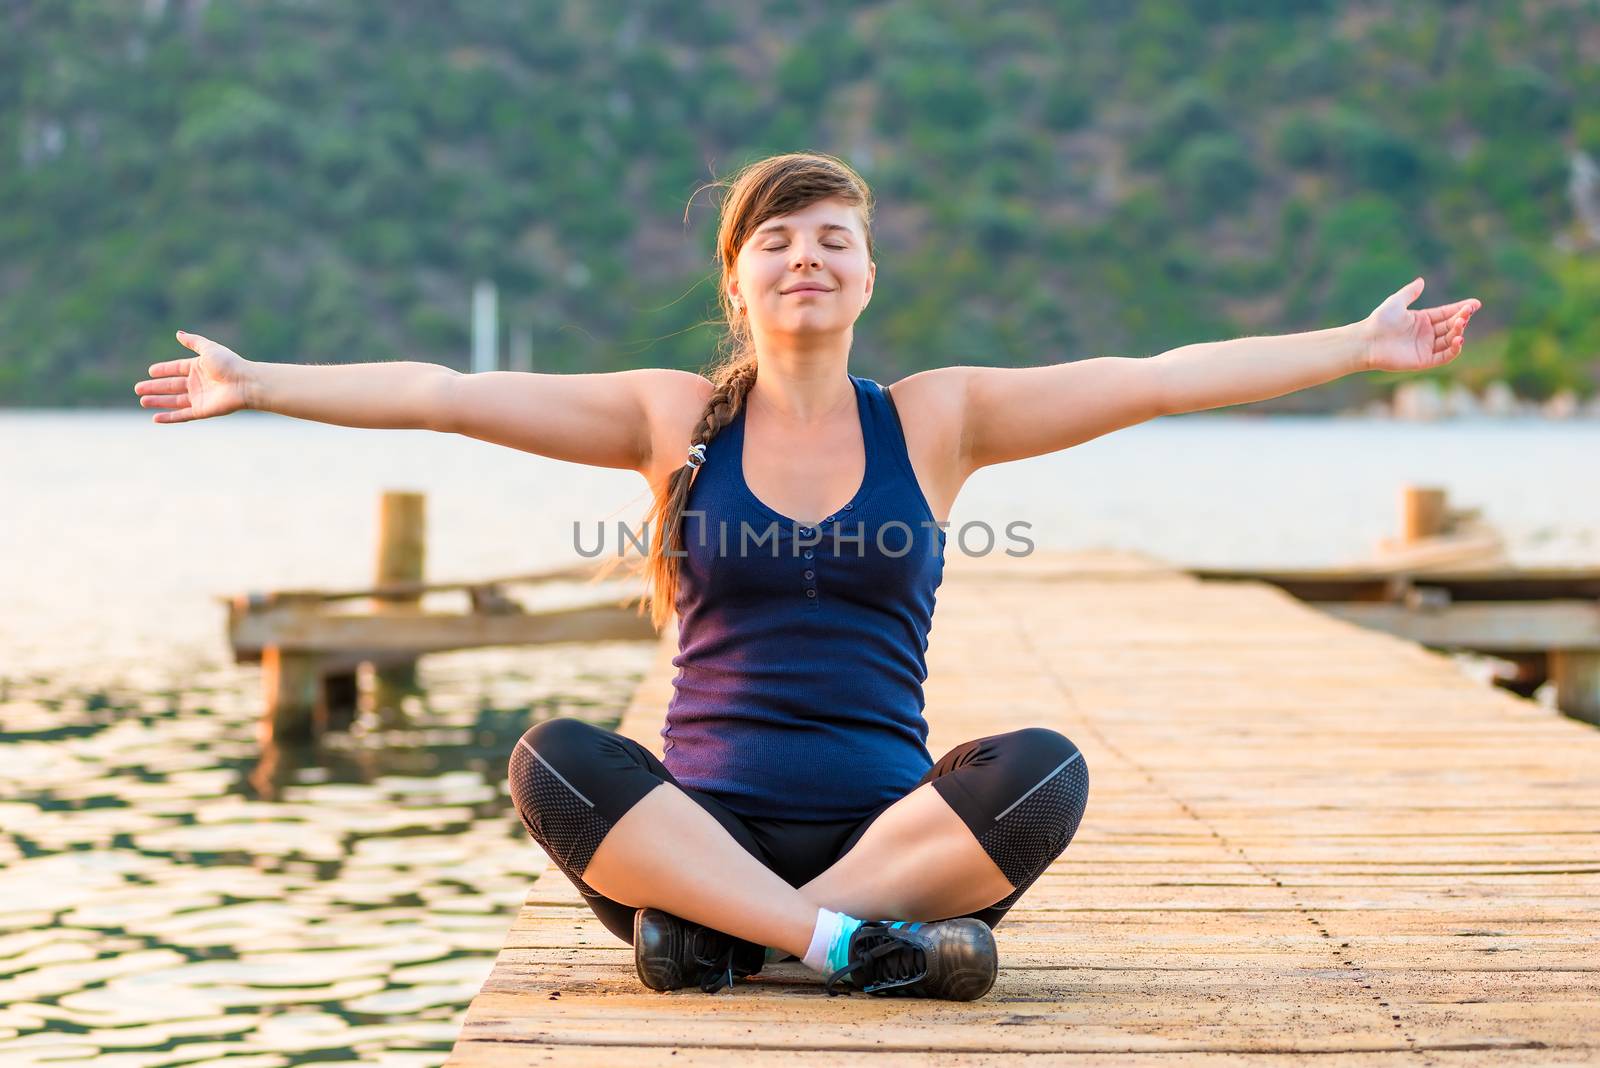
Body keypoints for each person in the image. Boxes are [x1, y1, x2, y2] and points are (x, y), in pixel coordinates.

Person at [134, 151, 1480, 1001]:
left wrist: (1350, 351)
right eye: (776, 239)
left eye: (832, 236)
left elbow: (1156, 381)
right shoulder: (667, 419)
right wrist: (262, 385)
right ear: (738, 282)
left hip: (891, 846)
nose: (806, 257)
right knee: (553, 757)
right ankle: (827, 947)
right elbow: (444, 393)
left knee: (1047, 767)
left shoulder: (936, 421)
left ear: (869, 274)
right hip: (693, 835)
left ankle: (747, 942)